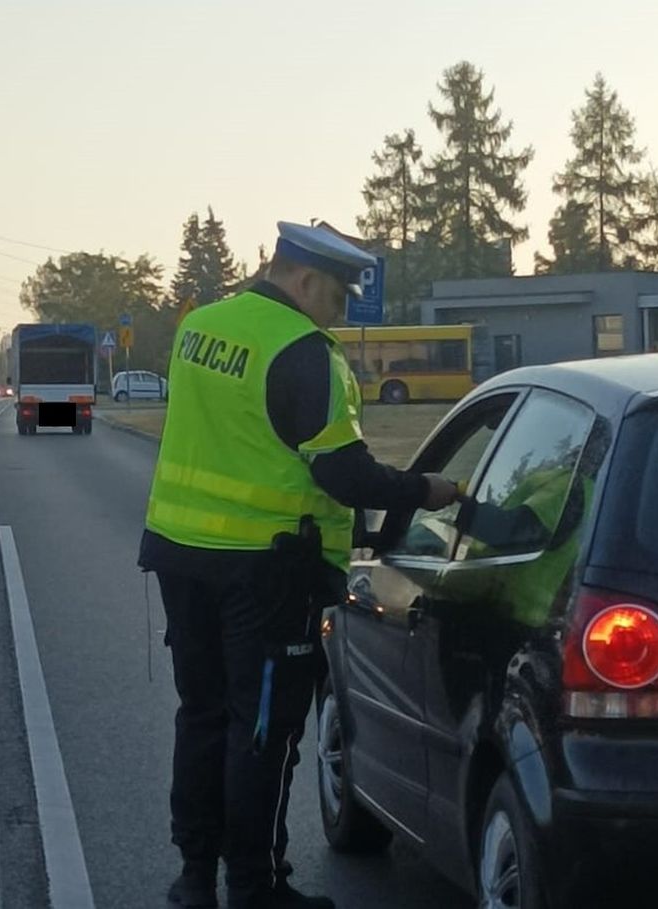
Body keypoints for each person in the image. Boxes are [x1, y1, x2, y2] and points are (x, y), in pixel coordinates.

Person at [139, 221, 462, 909]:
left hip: (180, 552)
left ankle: (195, 877)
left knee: (200, 714)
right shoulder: (304, 352)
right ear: (306, 280)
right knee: (262, 729)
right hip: (266, 568)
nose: (340, 313)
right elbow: (344, 472)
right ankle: (255, 887)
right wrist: (425, 490)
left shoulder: (200, 326)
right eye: (338, 297)